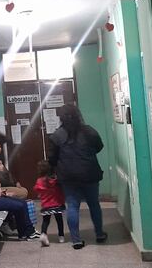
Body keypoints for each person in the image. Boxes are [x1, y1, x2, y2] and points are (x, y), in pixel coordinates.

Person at [48, 104, 108, 249]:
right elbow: (99, 147)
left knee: (73, 206)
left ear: (61, 117)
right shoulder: (89, 131)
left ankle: (76, 240)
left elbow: (52, 158)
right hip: (90, 173)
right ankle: (99, 234)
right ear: (77, 115)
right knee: (94, 204)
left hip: (68, 177)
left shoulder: (57, 136)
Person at [33, 160, 66, 247]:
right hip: (57, 203)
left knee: (46, 221)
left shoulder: (39, 181)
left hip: (46, 205)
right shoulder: (55, 180)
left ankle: (43, 234)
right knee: (59, 220)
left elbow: (36, 189)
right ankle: (61, 236)